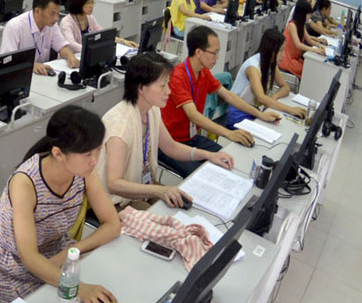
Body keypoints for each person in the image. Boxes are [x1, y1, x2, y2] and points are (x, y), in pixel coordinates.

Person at [0, 106, 121, 303]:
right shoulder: (25, 183)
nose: (95, 160)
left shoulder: (83, 172)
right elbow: (29, 257)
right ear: (58, 154)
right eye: (86, 154)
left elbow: (112, 224)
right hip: (11, 268)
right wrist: (77, 287)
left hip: (55, 253)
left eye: (98, 149)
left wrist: (71, 251)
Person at [99, 53, 234, 209]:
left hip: (140, 188)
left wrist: (208, 155)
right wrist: (159, 190)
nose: (168, 92)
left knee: (183, 206)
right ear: (141, 88)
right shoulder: (120, 127)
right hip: (115, 200)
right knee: (168, 218)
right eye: (163, 86)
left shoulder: (151, 110)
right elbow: (114, 184)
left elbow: (171, 147)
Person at [160, 26, 280, 177]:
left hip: (192, 138)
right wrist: (228, 134)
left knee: (229, 161)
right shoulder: (178, 76)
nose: (217, 57)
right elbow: (193, 115)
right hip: (171, 143)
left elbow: (229, 96)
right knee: (203, 176)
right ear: (198, 52)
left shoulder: (203, 72)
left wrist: (260, 114)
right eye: (214, 53)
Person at [226, 28, 307, 129]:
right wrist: (290, 109)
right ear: (271, 50)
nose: (284, 55)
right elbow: (261, 98)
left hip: (253, 111)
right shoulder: (253, 67)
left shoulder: (270, 62)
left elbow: (285, 87)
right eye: (281, 50)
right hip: (239, 114)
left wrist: (274, 97)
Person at [0, 0, 79, 75]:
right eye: (52, 13)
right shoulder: (14, 26)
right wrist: (31, 65)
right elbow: (7, 60)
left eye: (58, 14)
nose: (56, 18)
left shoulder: (51, 25)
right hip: (20, 74)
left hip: (42, 74)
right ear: (37, 11)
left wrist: (71, 56)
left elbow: (61, 46)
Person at [60, 0, 136, 52]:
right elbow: (71, 43)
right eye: (88, 3)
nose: (91, 6)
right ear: (78, 3)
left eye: (92, 2)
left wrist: (123, 41)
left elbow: (103, 34)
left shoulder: (90, 18)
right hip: (70, 59)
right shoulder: (67, 22)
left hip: (87, 56)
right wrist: (90, 51)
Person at [279, 0, 327, 78]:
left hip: (294, 58)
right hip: (286, 59)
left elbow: (309, 40)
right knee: (307, 70)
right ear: (302, 14)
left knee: (308, 67)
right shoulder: (292, 25)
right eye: (309, 14)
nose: (310, 16)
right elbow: (298, 45)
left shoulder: (301, 25)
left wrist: (319, 45)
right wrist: (315, 50)